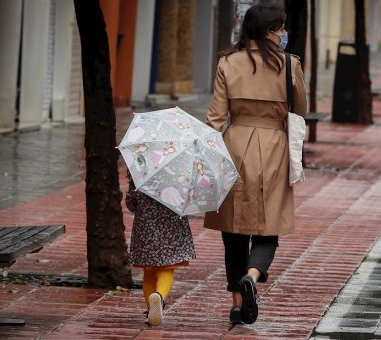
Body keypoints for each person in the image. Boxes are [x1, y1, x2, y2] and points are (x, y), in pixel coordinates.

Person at [204, 5, 307, 325]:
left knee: (233, 228)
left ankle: (237, 302)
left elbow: (215, 119)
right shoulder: (289, 64)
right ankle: (252, 274)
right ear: (268, 30)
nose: (283, 34)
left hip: (234, 147)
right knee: (268, 226)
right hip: (275, 147)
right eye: (280, 28)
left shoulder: (228, 62)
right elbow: (300, 107)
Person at [125, 171, 196, 326]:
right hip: (171, 229)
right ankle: (159, 296)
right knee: (166, 269)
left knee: (149, 271)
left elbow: (131, 204)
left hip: (146, 230)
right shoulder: (179, 175)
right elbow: (188, 201)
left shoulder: (140, 174)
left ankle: (151, 310)